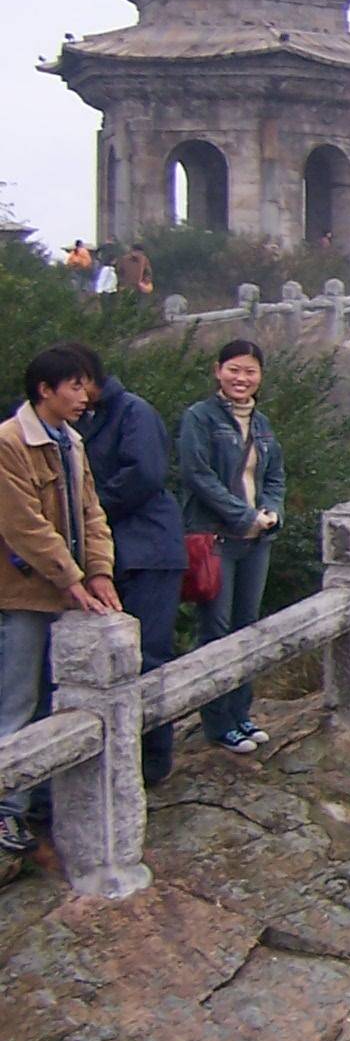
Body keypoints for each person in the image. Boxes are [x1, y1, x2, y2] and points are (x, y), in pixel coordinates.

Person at [1, 346, 121, 857]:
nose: (84, 395)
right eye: (73, 385)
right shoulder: (10, 442)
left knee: (61, 701)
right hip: (27, 592)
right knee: (17, 703)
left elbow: (92, 513)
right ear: (44, 390)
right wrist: (72, 578)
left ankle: (46, 805)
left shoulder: (70, 441)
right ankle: (8, 811)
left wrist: (99, 572)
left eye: (86, 384)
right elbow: (23, 523)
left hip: (67, 591)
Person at [62, 344, 185, 785]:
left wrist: (84, 512)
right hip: (109, 553)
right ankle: (118, 757)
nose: (74, 394)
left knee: (148, 655)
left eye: (77, 383)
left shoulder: (132, 413)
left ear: (91, 378)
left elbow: (144, 476)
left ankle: (151, 761)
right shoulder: (80, 422)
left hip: (148, 550)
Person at [178, 339, 285, 755]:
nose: (242, 378)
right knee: (216, 631)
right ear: (217, 370)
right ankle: (218, 722)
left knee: (247, 626)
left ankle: (241, 713)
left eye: (251, 371)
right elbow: (197, 476)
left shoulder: (262, 423)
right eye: (234, 369)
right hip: (216, 539)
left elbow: (274, 475)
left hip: (256, 541)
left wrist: (271, 511)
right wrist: (243, 516)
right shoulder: (199, 418)